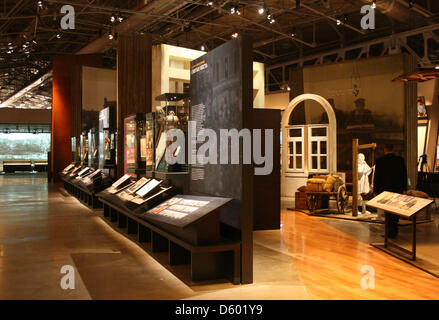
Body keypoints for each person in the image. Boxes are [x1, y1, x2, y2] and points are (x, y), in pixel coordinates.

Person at [373, 144, 408, 238]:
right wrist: (405, 188)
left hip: (386, 189)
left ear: (385, 150)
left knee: (388, 212)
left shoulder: (380, 161)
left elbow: (377, 176)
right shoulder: (400, 160)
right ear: (393, 149)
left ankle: (390, 232)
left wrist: (375, 190)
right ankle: (394, 230)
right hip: (397, 189)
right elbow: (404, 175)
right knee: (396, 211)